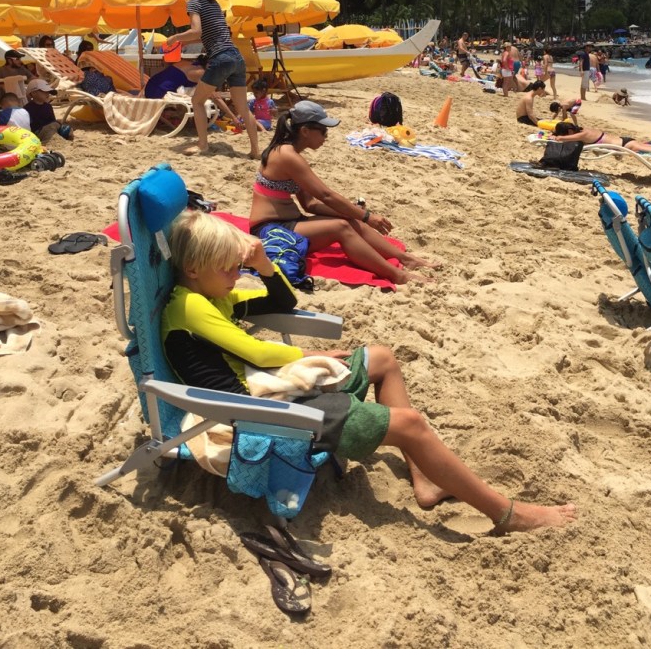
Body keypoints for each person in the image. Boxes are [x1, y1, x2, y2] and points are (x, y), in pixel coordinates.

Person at [162, 210, 578, 532]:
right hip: (254, 413)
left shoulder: (209, 294)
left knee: (381, 358)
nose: (238, 276)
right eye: (229, 268)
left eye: (238, 267)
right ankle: (506, 514)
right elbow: (256, 350)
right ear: (194, 268)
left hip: (263, 391)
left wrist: (265, 264)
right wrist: (310, 354)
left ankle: (425, 477)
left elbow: (282, 304)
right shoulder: (191, 306)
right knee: (411, 424)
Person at [248, 100, 436, 285]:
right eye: (323, 131)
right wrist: (366, 216)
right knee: (342, 227)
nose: (326, 136)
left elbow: (309, 204)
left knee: (350, 220)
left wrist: (353, 213)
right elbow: (326, 195)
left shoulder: (288, 152)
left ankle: (405, 258)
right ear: (305, 131)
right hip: (271, 230)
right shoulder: (287, 155)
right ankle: (397, 275)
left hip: (289, 222)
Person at [169, 0, 260, 158]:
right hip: (236, 57)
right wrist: (184, 41)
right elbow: (207, 35)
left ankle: (203, 145)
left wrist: (175, 38)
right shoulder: (214, 3)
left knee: (197, 101)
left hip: (221, 58)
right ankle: (255, 151)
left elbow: (196, 31)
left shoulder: (194, 3)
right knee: (243, 108)